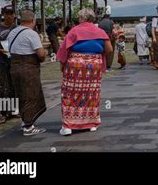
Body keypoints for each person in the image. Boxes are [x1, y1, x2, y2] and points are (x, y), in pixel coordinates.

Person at [56, 8, 112, 136]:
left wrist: (62, 66)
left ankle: (68, 126)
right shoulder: (100, 32)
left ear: (82, 18)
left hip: (75, 66)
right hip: (94, 66)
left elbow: (64, 50)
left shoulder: (74, 31)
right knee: (91, 93)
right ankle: (91, 123)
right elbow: (109, 49)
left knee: (70, 93)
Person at [7, 10, 47, 136]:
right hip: (28, 68)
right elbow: (41, 54)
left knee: (21, 94)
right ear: (33, 20)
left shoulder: (12, 32)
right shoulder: (32, 34)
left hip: (14, 67)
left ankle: (25, 122)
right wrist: (44, 55)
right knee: (31, 94)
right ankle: (28, 126)